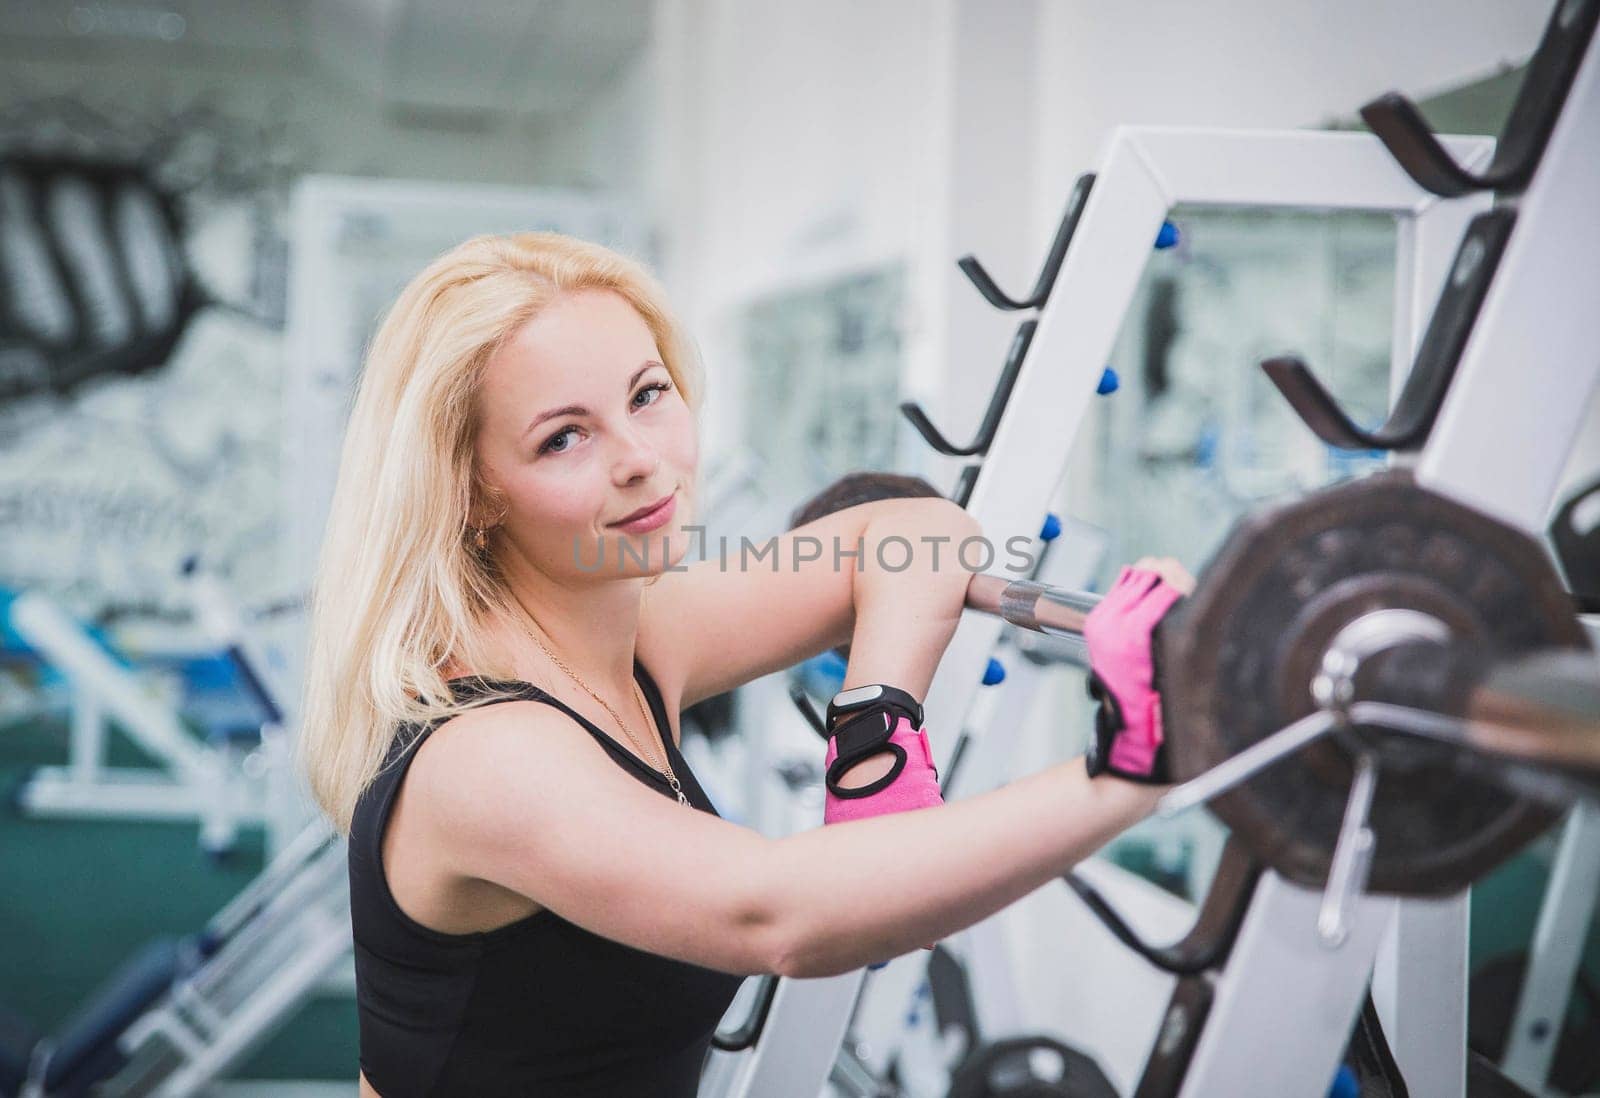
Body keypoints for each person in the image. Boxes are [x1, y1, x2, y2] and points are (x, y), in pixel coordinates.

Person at [296, 232, 1194, 1098]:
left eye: (648, 395)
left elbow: (911, 533)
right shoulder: (487, 756)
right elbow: (776, 914)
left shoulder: (639, 630)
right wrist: (1128, 771)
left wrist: (874, 740)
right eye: (564, 438)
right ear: (473, 491)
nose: (643, 462)